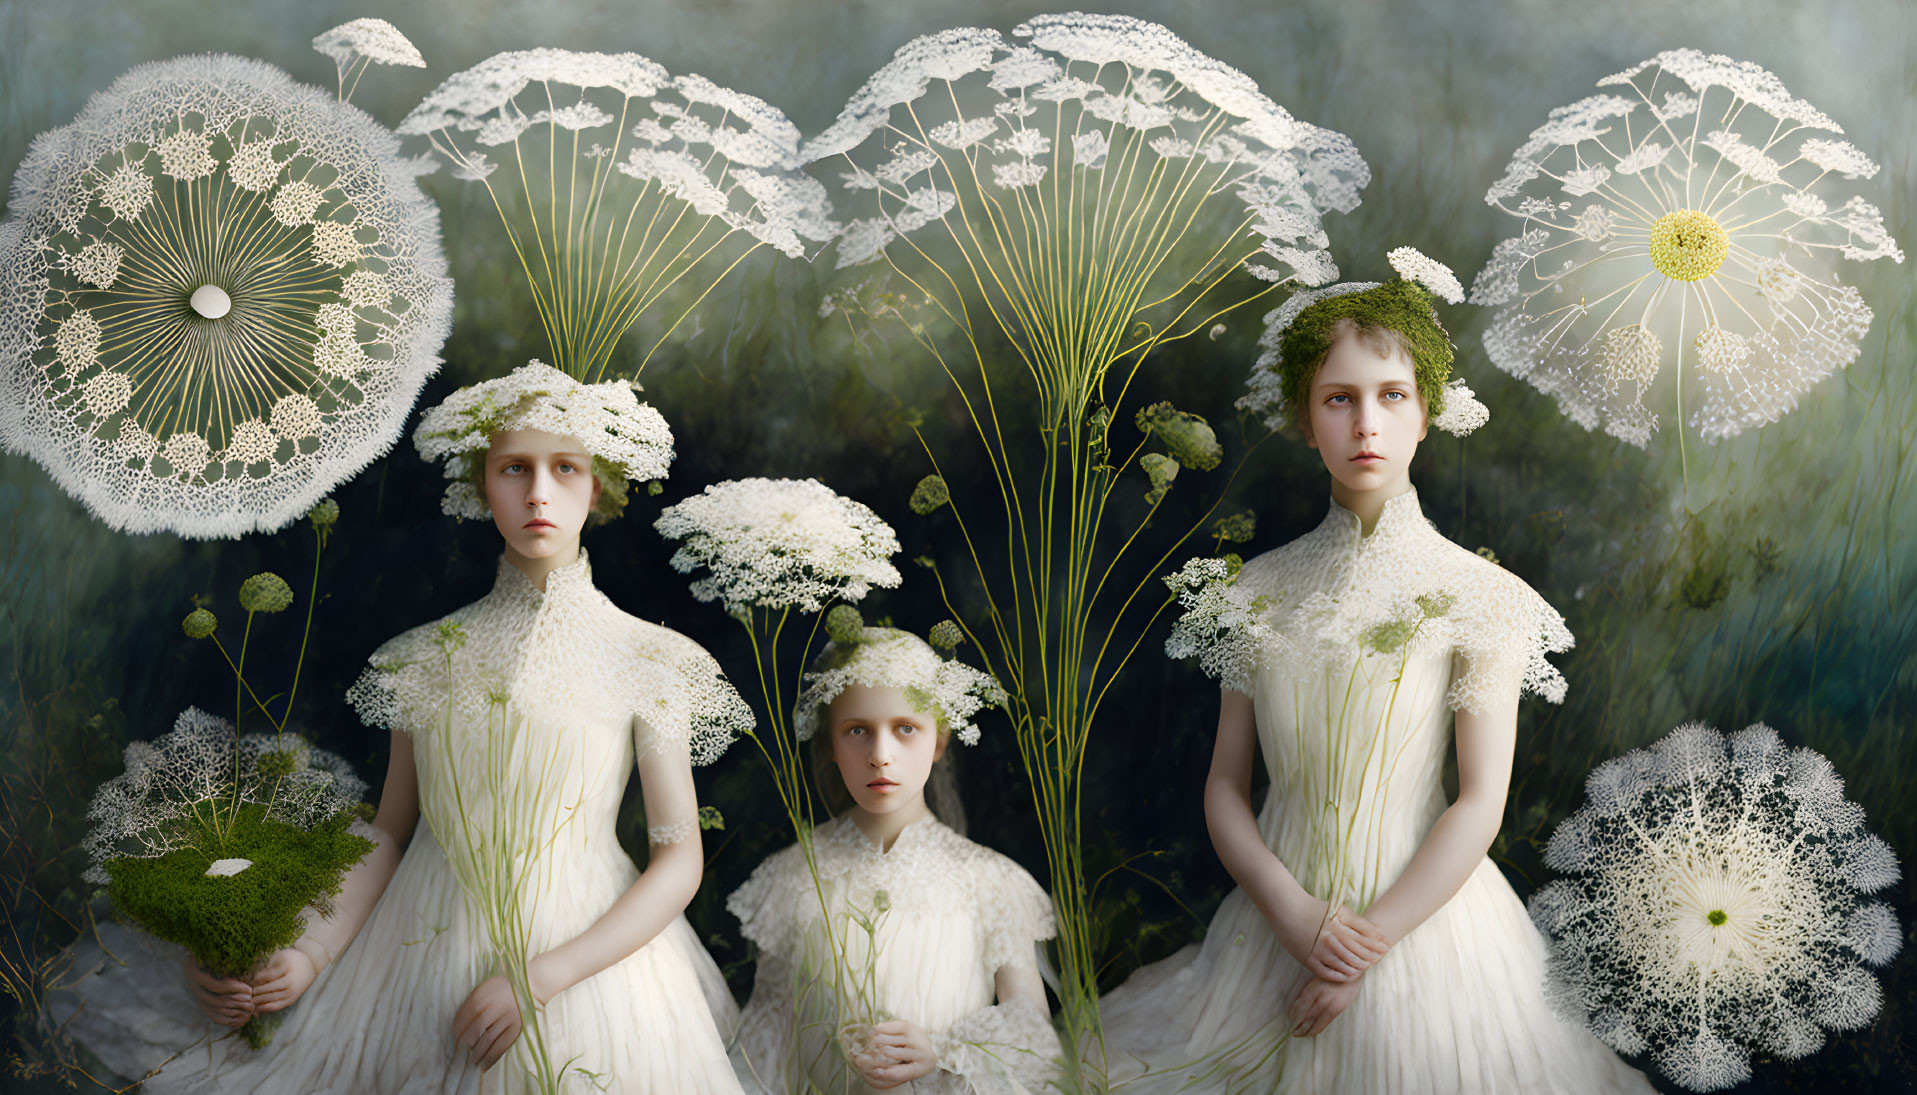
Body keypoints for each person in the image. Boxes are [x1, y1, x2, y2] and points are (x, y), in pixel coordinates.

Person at [48, 360, 753, 1094]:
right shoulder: (419, 657)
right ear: (483, 484)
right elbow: (389, 832)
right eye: (514, 468)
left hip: (590, 964)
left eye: (564, 468)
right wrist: (309, 956)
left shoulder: (651, 657)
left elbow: (678, 861)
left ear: (596, 485)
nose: (539, 492)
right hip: (416, 952)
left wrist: (541, 976)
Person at [1095, 252, 1656, 1093]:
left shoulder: (1482, 596)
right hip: (1270, 929)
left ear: (1425, 415)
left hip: (1430, 927)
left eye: (1391, 397)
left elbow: (1478, 802)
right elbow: (1224, 786)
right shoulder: (1255, 590)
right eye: (1339, 399)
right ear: (1304, 417)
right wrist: (1294, 917)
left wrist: (1363, 944)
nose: (1367, 425)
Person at [727, 627, 1063, 1094]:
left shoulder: (992, 880)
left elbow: (1036, 1040)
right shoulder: (794, 876)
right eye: (858, 731)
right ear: (830, 746)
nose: (881, 757)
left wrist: (943, 1050)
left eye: (906, 729)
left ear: (939, 740)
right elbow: (765, 1038)